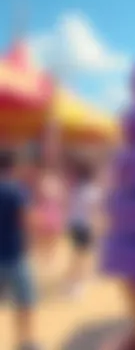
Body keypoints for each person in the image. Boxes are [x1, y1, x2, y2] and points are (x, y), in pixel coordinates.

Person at [0, 150, 40, 350]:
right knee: (24, 301)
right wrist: (32, 244)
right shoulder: (17, 191)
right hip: (15, 254)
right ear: (12, 167)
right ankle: (25, 341)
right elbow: (26, 221)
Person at [65, 161, 101, 297]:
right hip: (85, 226)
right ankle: (76, 284)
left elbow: (70, 208)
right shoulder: (92, 191)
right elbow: (95, 211)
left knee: (76, 254)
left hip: (75, 225)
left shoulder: (76, 190)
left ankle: (73, 281)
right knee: (82, 256)